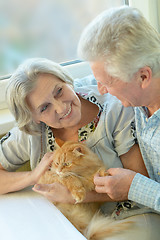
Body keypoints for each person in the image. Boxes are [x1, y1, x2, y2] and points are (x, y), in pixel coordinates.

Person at [78, 5, 160, 216]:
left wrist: (134, 187)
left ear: (143, 77)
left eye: (106, 82)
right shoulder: (138, 94)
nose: (101, 89)